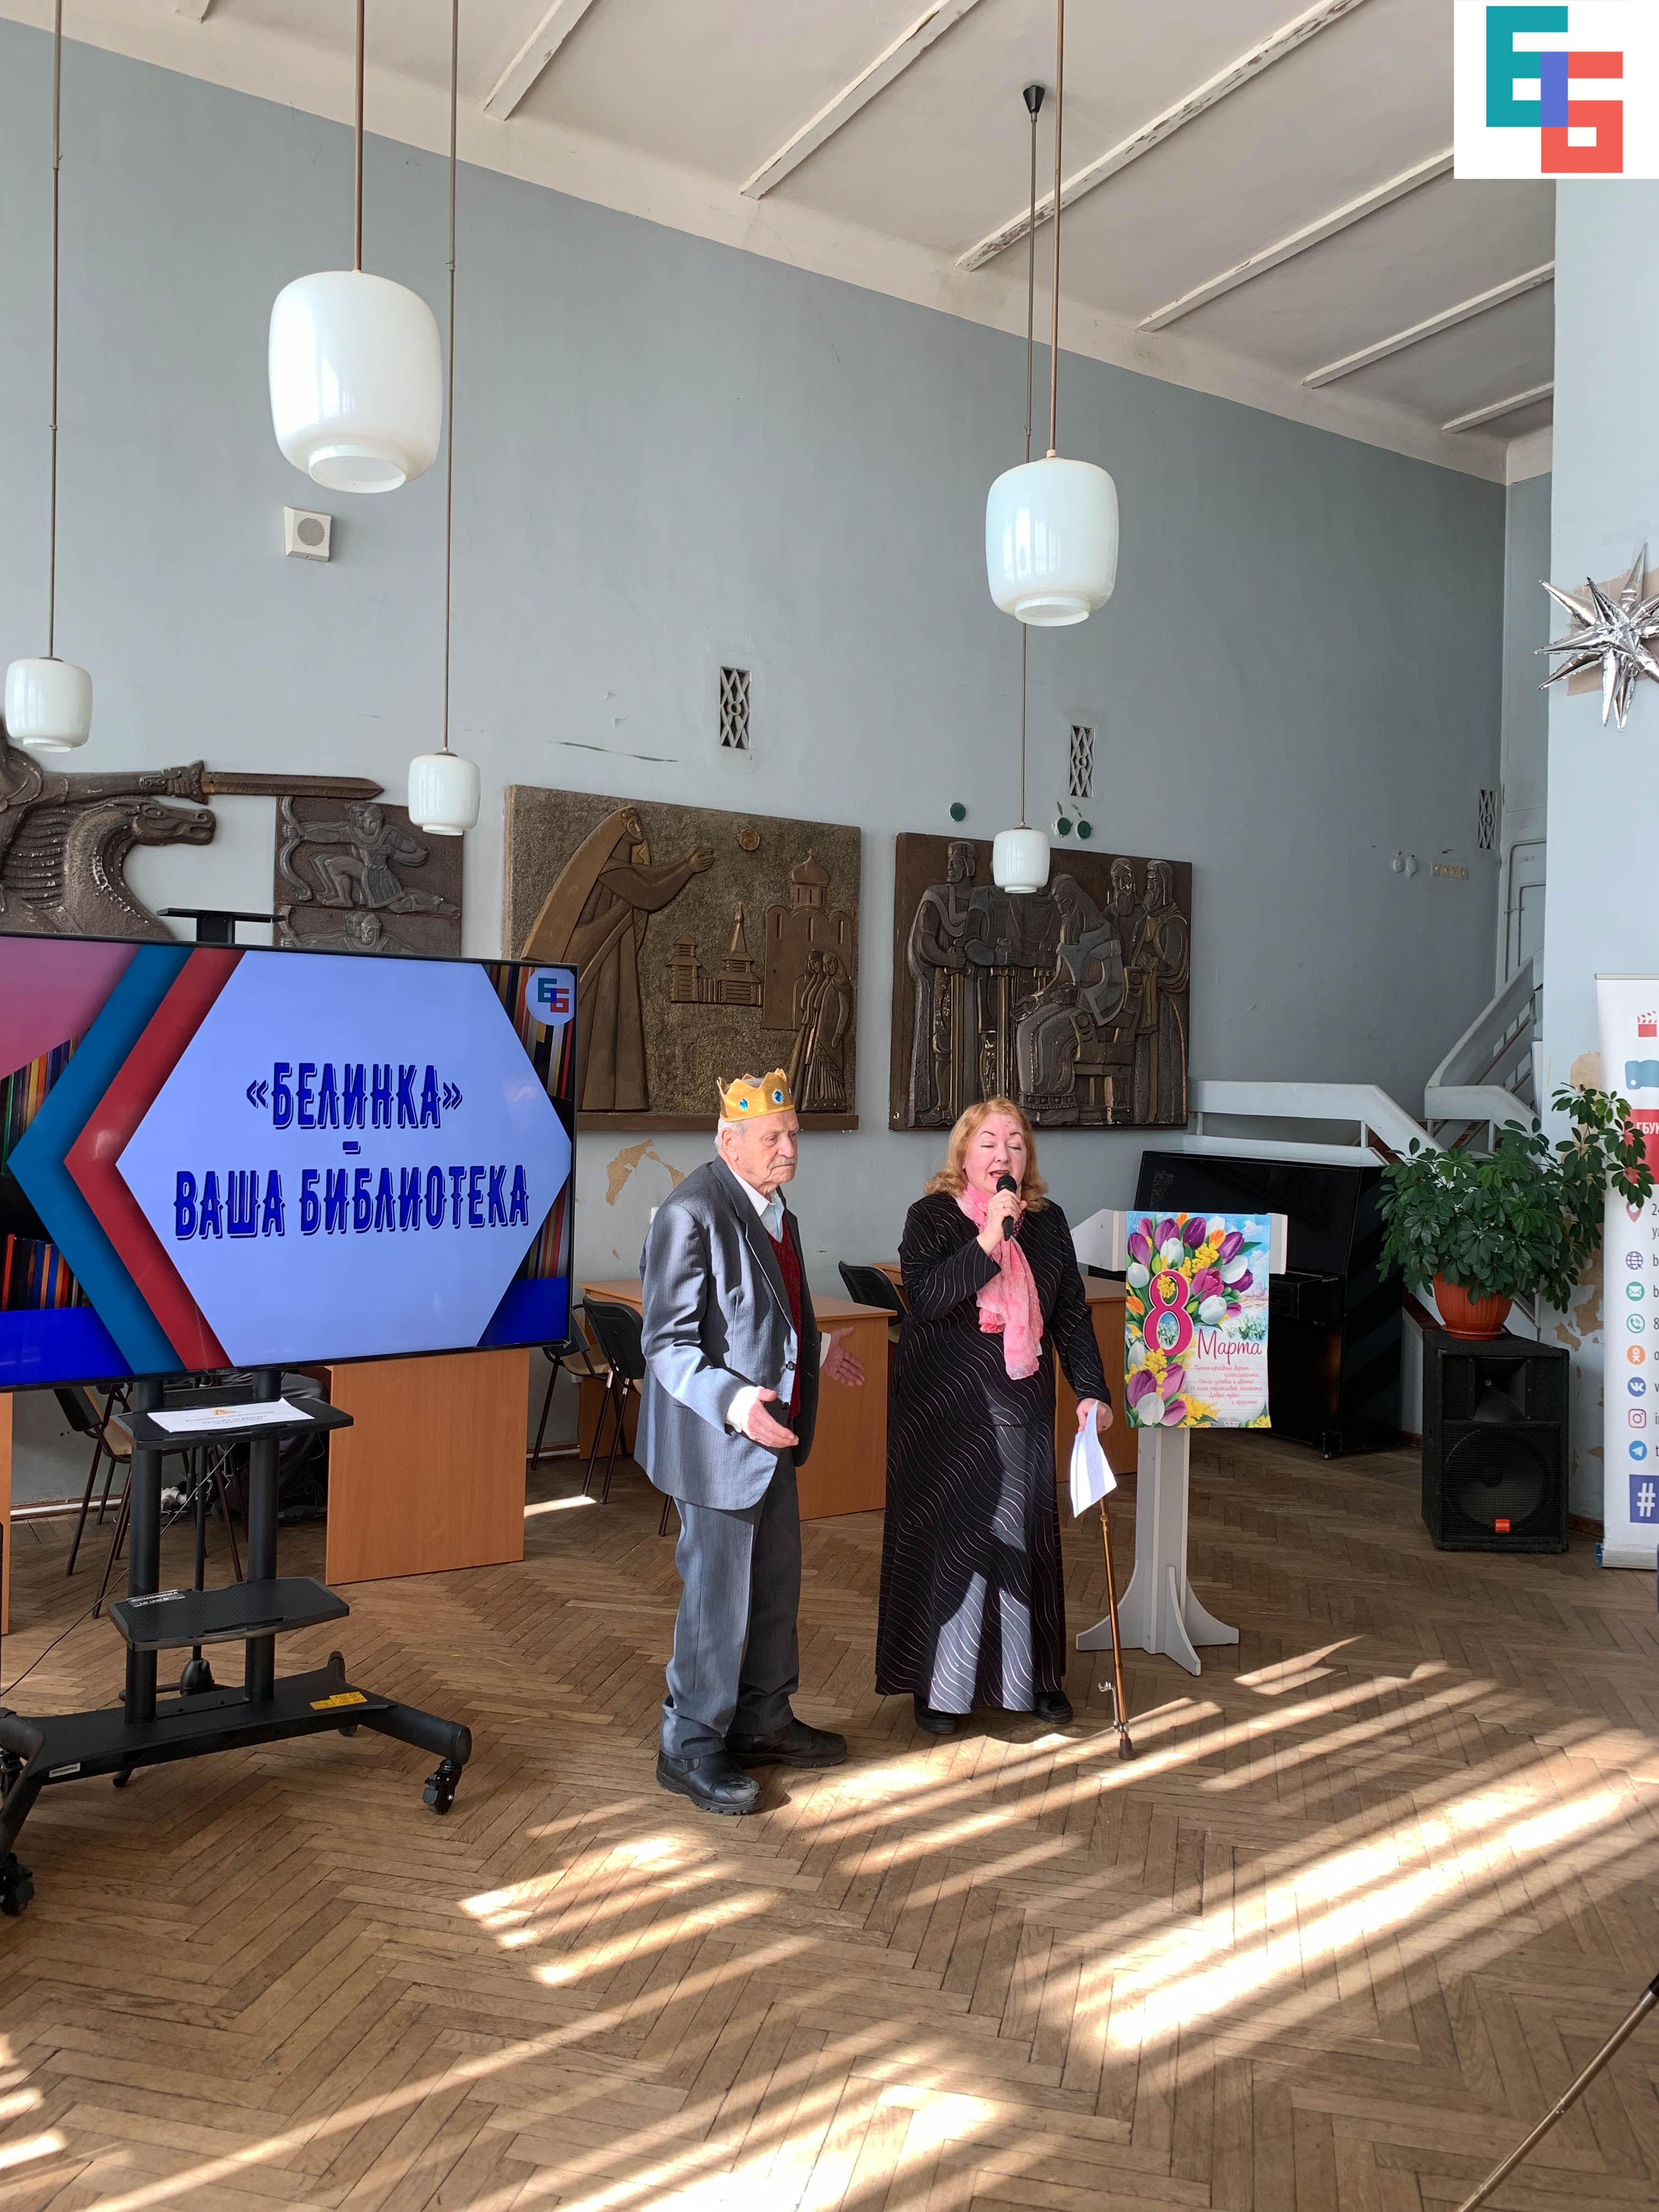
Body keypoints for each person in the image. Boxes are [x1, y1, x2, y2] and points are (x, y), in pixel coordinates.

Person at [638, 1069, 866, 1815]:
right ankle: (691, 1743)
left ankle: (763, 1718)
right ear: (727, 1141)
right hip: (718, 1439)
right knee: (717, 1596)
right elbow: (667, 1345)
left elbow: (765, 1307)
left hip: (773, 1432)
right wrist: (737, 1402)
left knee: (774, 1583)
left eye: (793, 1133)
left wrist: (817, 1349)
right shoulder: (691, 1212)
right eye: (773, 1137)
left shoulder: (774, 1209)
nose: (789, 1148)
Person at [876, 1098, 1111, 1734]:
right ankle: (937, 1686)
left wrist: (1092, 1390)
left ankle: (1035, 1679)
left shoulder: (1048, 1223)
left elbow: (1070, 1314)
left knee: (1021, 1536)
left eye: (1015, 1143)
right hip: (942, 1411)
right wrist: (989, 1236)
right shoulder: (930, 1217)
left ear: (1027, 1157)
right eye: (988, 1143)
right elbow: (928, 1297)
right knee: (951, 1544)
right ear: (963, 1155)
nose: (1003, 1154)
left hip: (1019, 1405)